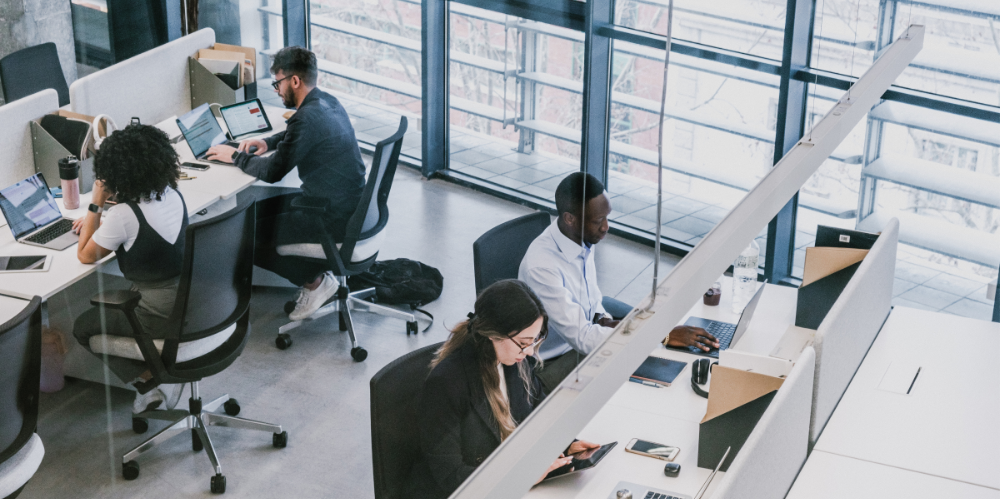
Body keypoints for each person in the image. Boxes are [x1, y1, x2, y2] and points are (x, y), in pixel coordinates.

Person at [204, 46, 366, 321]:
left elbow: (272, 171)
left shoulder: (306, 118)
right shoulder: (327, 101)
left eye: (277, 82)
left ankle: (315, 283)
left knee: (244, 237)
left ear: (294, 81)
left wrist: (235, 156)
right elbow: (299, 132)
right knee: (250, 215)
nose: (276, 90)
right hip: (347, 205)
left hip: (329, 216)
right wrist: (267, 141)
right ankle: (316, 274)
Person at [519, 172, 719, 392]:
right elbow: (583, 339)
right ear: (569, 218)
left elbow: (592, 300)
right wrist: (659, 334)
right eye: (598, 220)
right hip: (553, 360)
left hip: (582, 330)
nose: (606, 227)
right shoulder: (543, 268)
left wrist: (607, 321)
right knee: (636, 357)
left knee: (640, 322)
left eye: (607, 217)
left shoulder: (579, 238)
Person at [406, 280, 601, 499]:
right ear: (493, 333)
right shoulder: (447, 384)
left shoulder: (514, 358)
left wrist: (566, 446)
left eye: (535, 340)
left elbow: (540, 412)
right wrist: (522, 477)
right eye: (524, 342)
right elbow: (451, 477)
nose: (529, 351)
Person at [71, 124, 187, 414]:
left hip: (156, 316)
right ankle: (158, 374)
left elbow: (85, 255)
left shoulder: (124, 215)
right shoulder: (173, 194)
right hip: (190, 304)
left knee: (82, 327)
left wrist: (96, 204)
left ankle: (150, 382)